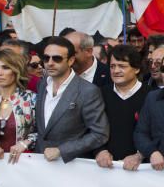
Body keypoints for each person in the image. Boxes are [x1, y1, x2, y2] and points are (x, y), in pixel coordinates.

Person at [34, 36, 109, 165]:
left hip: (72, 165)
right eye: (46, 58)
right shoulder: (42, 85)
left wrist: (61, 150)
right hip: (41, 163)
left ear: (71, 61)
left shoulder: (87, 91)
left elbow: (99, 134)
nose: (50, 63)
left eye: (57, 58)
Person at [95, 45, 150, 170]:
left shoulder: (152, 95)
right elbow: (91, 127)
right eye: (112, 66)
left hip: (143, 169)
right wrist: (100, 151)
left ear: (136, 69)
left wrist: (140, 155)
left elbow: (158, 132)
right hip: (104, 167)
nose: (116, 71)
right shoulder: (100, 94)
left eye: (122, 66)